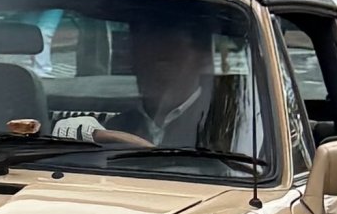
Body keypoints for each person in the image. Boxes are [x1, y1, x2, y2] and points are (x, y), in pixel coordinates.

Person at [52, 10, 215, 148]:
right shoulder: (117, 125)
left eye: (168, 61)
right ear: (131, 59)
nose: (155, 70)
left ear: (204, 59)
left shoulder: (218, 129)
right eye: (144, 54)